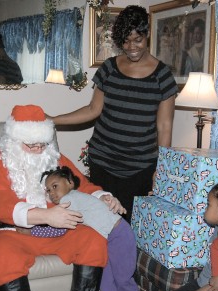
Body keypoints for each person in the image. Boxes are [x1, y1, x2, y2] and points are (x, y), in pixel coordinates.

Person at [0, 104, 125, 291]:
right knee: (1, 254)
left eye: (41, 145)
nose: (37, 150)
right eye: (29, 145)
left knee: (93, 239)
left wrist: (104, 197)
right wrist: (44, 215)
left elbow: (82, 184)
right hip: (12, 231)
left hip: (59, 229)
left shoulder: (55, 159)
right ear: (13, 139)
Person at [50, 5, 178, 223]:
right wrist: (51, 120)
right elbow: (92, 110)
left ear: (147, 35)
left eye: (138, 39)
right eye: (126, 41)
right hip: (103, 161)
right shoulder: (109, 68)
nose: (131, 47)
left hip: (139, 168)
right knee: (99, 223)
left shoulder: (163, 76)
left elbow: (164, 127)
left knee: (130, 226)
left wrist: (161, 169)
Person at [31, 166, 147, 291]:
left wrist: (32, 232)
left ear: (70, 182)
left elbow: (58, 230)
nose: (51, 193)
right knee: (105, 282)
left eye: (55, 186)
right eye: (47, 190)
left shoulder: (70, 199)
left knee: (122, 278)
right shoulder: (70, 201)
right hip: (106, 241)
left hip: (120, 234)